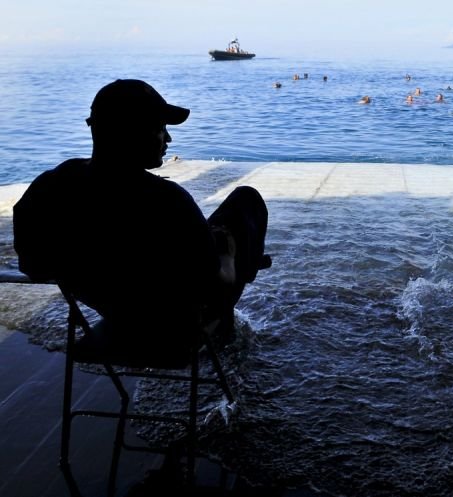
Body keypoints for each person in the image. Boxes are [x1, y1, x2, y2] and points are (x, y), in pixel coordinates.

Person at [13, 79, 269, 359]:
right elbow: (219, 285)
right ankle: (224, 324)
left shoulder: (50, 186)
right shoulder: (168, 201)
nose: (168, 139)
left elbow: (33, 267)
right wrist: (228, 256)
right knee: (245, 201)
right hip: (176, 332)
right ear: (131, 133)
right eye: (160, 128)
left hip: (119, 318)